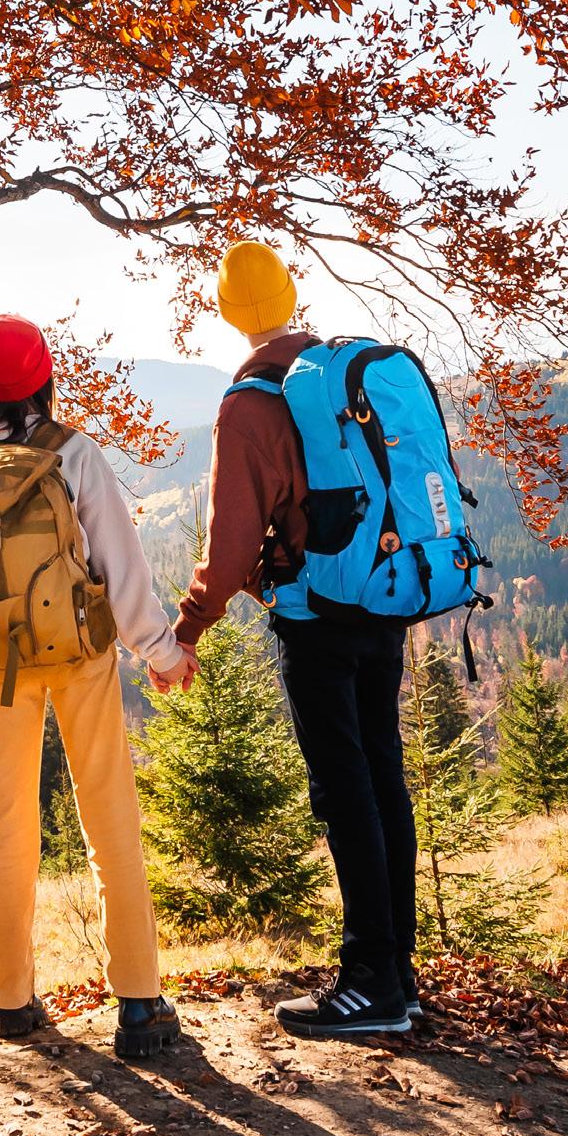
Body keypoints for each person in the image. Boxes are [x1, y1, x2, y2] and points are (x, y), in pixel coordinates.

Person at [0, 313, 189, 1061]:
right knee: (108, 813)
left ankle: (12, 1002)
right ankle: (138, 1002)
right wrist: (159, 650)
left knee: (4, 825)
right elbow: (120, 563)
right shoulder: (73, 452)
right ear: (44, 380)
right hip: (78, 649)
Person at [173, 242, 420, 1040]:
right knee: (382, 775)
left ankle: (369, 983)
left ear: (225, 311)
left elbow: (229, 548)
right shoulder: (339, 376)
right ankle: (397, 973)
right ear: (291, 294)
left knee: (344, 789)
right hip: (382, 595)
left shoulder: (249, 403)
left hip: (315, 618)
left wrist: (188, 626)